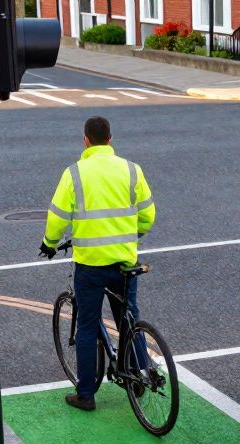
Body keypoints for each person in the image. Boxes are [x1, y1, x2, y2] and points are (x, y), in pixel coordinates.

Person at [40, 115, 156, 411]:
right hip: (124, 262)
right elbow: (147, 215)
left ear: (86, 141)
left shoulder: (75, 173)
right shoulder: (132, 170)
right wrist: (133, 236)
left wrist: (50, 244)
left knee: (88, 327)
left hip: (90, 266)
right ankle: (139, 374)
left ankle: (86, 395)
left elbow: (57, 218)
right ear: (111, 139)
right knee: (127, 318)